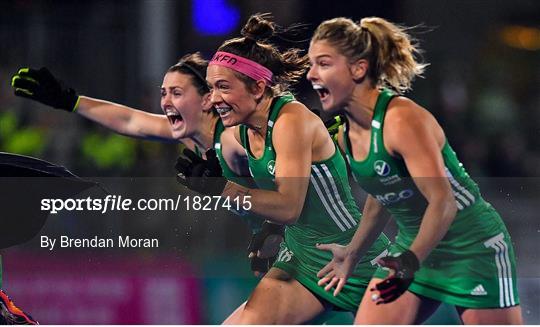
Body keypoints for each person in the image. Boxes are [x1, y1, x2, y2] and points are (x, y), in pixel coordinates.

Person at [307, 17, 523, 324]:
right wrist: (353, 253)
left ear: (358, 69)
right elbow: (381, 194)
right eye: (311, 64)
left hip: (472, 248)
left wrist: (410, 261)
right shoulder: (345, 131)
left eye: (323, 63)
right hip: (415, 246)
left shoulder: (402, 120)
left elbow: (443, 202)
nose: (311, 73)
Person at [194, 13, 390, 324]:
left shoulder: (290, 121)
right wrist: (268, 230)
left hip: (355, 256)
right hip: (300, 258)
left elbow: (288, 207)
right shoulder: (243, 130)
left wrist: (220, 188)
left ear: (258, 88)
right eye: (210, 87)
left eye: (222, 87)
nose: (213, 99)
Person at [11, 53, 283, 276]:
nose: (165, 102)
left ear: (206, 99)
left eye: (176, 93)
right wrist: (70, 101)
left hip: (303, 241)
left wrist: (274, 229)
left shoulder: (232, 139)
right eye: (163, 93)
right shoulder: (193, 136)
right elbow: (131, 121)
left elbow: (294, 185)